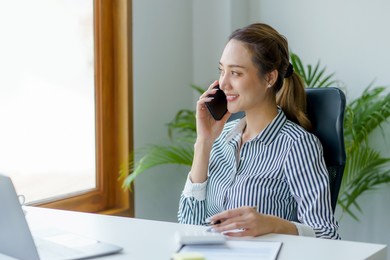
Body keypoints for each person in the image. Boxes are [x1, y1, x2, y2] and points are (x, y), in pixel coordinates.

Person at [177, 23, 340, 239]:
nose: (223, 83)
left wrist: (273, 224)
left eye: (235, 73)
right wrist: (204, 142)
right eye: (222, 70)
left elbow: (328, 234)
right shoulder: (220, 140)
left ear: (270, 78)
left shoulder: (297, 145)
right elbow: (189, 226)